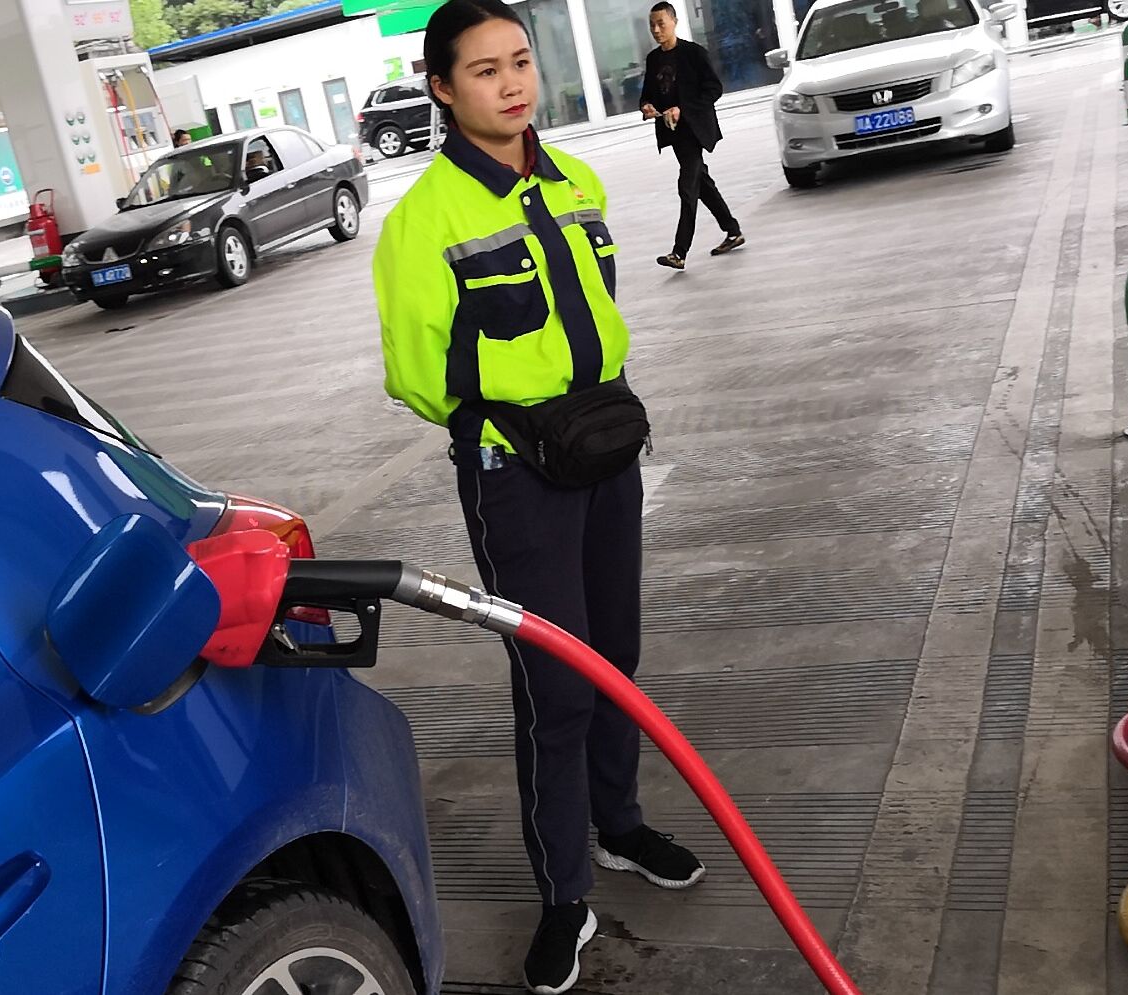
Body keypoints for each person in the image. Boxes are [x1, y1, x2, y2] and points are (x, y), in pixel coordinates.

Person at [374, 1, 704, 991]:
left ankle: (620, 824)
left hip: (604, 446)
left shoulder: (575, 182)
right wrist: (516, 418)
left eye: (520, 60)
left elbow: (596, 308)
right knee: (555, 685)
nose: (512, 83)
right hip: (515, 472)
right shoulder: (422, 222)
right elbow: (418, 374)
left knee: (616, 657)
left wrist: (584, 407)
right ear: (443, 89)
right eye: (484, 70)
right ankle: (565, 892)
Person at [640, 2, 744, 270]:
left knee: (687, 187)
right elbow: (648, 93)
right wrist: (647, 106)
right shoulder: (653, 59)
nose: (656, 30)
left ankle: (680, 252)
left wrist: (682, 109)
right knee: (702, 184)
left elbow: (714, 89)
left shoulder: (694, 53)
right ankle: (733, 231)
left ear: (674, 22)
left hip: (695, 130)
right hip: (673, 132)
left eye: (661, 24)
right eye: (652, 25)